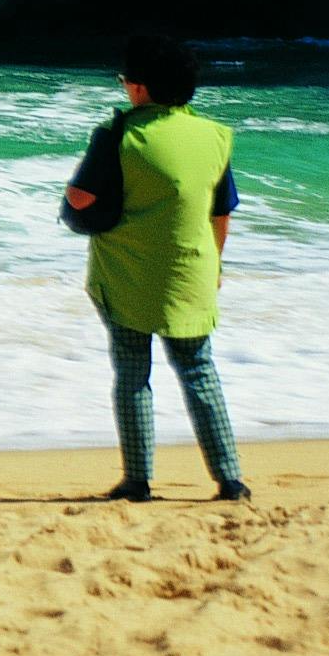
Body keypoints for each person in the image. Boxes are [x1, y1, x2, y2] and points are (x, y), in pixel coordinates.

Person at [63, 33, 248, 502]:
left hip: (127, 274)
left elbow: (81, 197)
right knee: (199, 371)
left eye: (126, 80)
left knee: (132, 372)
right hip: (191, 272)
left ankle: (137, 481)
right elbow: (220, 213)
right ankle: (230, 479)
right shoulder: (214, 136)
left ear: (140, 89)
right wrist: (215, 266)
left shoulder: (119, 134)